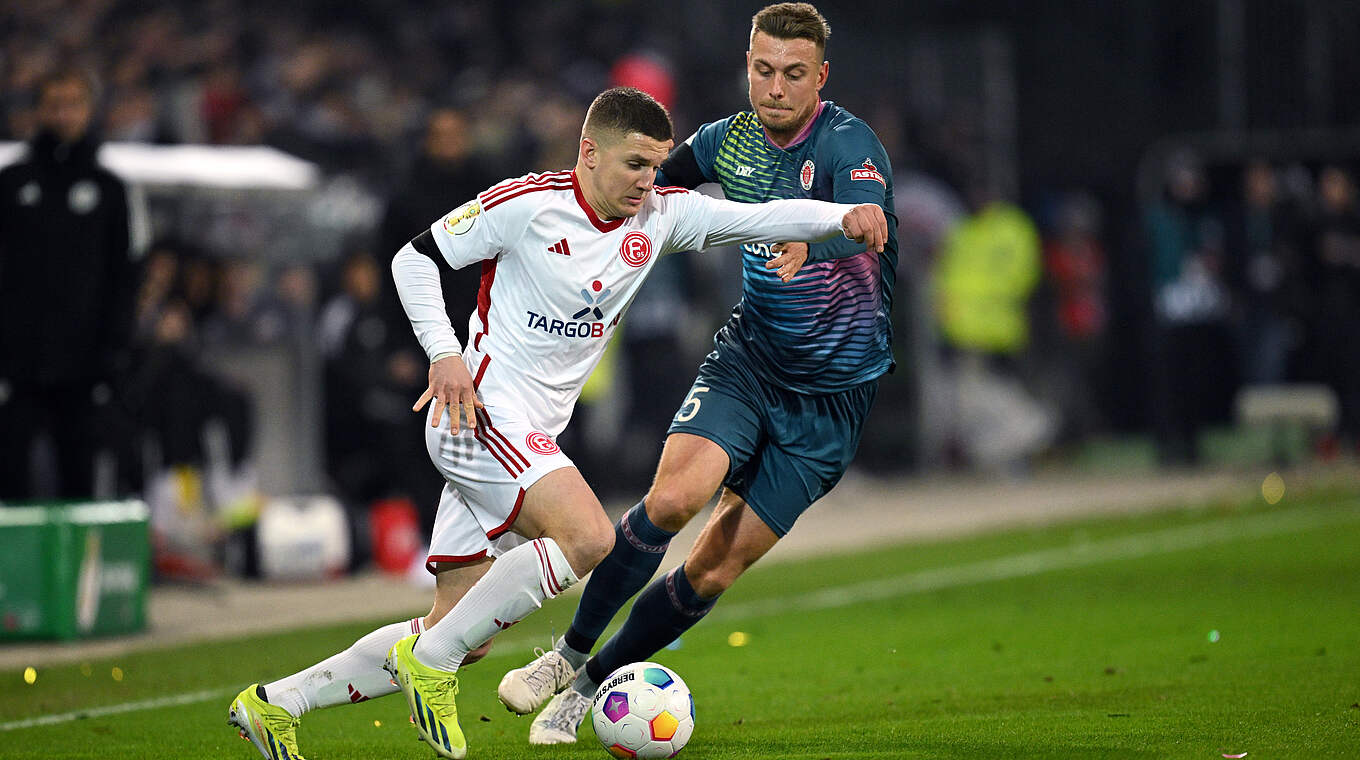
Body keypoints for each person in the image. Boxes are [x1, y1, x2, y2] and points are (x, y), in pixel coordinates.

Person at [226, 85, 887, 760]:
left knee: (461, 628)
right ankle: (433, 664)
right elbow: (413, 259)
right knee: (588, 535)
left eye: (656, 166)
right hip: (476, 414)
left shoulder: (662, 215)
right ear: (589, 151)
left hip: (523, 438)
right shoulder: (528, 204)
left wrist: (845, 216)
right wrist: (444, 354)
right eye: (634, 164)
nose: (647, 181)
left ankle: (277, 704)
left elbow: (764, 216)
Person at [498, 2, 900, 745]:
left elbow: (869, 220)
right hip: (752, 361)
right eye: (762, 70)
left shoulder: (848, 143)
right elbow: (639, 187)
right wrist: (564, 212)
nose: (775, 88)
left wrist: (819, 241)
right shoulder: (728, 141)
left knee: (712, 571)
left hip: (831, 405)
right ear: (748, 65)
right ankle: (566, 656)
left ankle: (587, 689)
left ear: (821, 77)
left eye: (793, 74)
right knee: (675, 499)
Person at [0, 68, 140, 501]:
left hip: (86, 368)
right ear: (39, 110)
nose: (63, 114)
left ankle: (81, 568)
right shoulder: (11, 184)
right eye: (54, 104)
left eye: (72, 104)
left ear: (89, 109)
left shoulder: (111, 191)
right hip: (16, 366)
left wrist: (113, 357)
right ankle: (11, 569)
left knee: (80, 480)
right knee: (11, 477)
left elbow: (125, 280)